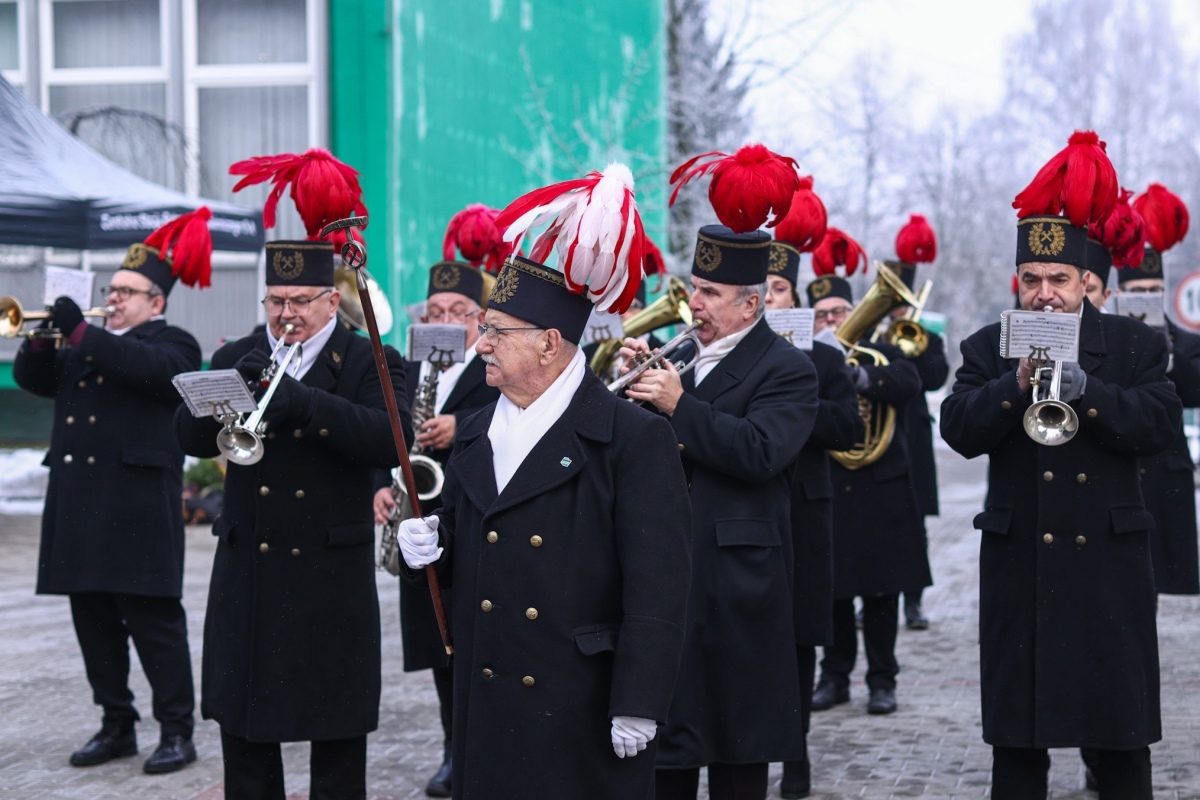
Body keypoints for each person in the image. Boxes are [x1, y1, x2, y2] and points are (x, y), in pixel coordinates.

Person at [397, 165, 693, 800]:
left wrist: (640, 699)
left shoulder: (633, 438)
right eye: (484, 329)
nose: (481, 345)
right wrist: (434, 543)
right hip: (489, 693)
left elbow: (659, 586)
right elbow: (480, 536)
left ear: (549, 343)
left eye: (496, 332)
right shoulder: (477, 430)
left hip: (579, 700)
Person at [940, 132, 1181, 800]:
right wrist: (1014, 383)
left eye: (1059, 280)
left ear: (1084, 283)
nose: (1045, 294)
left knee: (1121, 743)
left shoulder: (1134, 344)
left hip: (1107, 568)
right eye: (1032, 280)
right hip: (1024, 570)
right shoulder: (988, 345)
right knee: (1019, 748)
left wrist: (1088, 391)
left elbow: (1159, 425)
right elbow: (957, 429)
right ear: (1017, 282)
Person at [175, 238, 409, 800]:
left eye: (301, 300)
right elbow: (188, 438)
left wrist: (306, 404)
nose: (287, 313)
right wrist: (218, 395)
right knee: (246, 738)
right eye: (276, 300)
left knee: (337, 740)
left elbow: (390, 439)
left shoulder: (368, 359)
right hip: (250, 573)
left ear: (331, 301)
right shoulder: (242, 353)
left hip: (328, 577)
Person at [627, 224, 819, 800]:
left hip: (739, 584)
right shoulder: (684, 355)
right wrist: (638, 392)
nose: (695, 302)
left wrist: (677, 404)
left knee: (738, 747)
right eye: (694, 288)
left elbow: (762, 452)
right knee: (668, 746)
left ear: (750, 305)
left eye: (710, 292)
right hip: (671, 570)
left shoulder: (787, 367)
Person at [13, 213, 210, 774]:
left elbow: (148, 371)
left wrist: (81, 332)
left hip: (136, 508)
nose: (114, 299)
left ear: (157, 302)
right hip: (80, 504)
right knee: (93, 623)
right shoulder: (86, 344)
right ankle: (116, 723)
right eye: (111, 290)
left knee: (154, 625)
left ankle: (176, 730)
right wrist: (42, 338)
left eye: (126, 292)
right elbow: (35, 380)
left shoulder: (173, 343)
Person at [372, 259, 498, 798]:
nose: (445, 321)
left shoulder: (494, 363)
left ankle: (477, 751)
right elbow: (386, 431)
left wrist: (459, 424)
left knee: (474, 642)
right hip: (419, 520)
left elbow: (519, 415)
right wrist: (380, 485)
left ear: (480, 318)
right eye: (435, 312)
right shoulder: (410, 366)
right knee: (438, 646)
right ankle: (452, 749)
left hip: (471, 519)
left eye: (458, 312)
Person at [764, 238, 863, 799]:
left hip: (803, 513)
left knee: (798, 639)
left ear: (794, 299)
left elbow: (848, 428)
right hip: (744, 509)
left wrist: (794, 398)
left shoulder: (823, 359)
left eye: (779, 289)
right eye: (760, 289)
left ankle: (795, 753)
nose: (768, 298)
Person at [806, 264, 925, 718]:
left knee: (882, 593)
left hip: (881, 489)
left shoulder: (881, 350)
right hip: (834, 486)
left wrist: (858, 378)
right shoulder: (806, 359)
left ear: (855, 310)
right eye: (822, 315)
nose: (832, 321)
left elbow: (910, 382)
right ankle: (834, 677)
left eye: (839, 312)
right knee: (834, 591)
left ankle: (882, 680)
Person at [884, 214, 948, 630]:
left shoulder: (928, 338)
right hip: (879, 433)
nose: (898, 310)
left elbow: (936, 378)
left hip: (914, 435)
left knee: (915, 524)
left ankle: (913, 602)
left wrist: (916, 343)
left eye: (902, 303)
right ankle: (877, 598)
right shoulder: (869, 336)